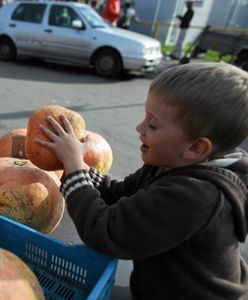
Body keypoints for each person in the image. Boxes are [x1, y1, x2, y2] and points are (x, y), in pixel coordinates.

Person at [36, 62, 248, 300]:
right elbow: (120, 194)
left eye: (153, 124)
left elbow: (106, 231)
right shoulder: (172, 163)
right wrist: (80, 168)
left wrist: (75, 170)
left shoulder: (195, 196)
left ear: (196, 147)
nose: (139, 128)